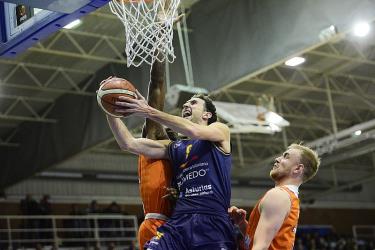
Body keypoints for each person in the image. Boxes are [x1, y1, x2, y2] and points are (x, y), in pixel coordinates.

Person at [106, 88, 235, 249]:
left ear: (207, 115)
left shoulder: (220, 130)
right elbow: (128, 143)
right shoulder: (174, 147)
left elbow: (193, 130)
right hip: (179, 222)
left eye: (193, 103)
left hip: (211, 220)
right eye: (186, 103)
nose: (186, 105)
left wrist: (148, 110)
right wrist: (109, 109)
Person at [229, 143, 320, 250]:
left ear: (297, 169)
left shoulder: (278, 195)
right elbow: (265, 242)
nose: (277, 159)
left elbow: (260, 247)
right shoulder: (288, 197)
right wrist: (242, 224)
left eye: (286, 156)